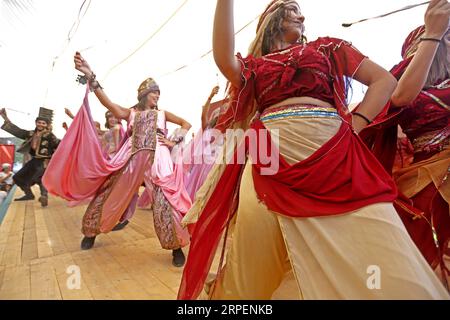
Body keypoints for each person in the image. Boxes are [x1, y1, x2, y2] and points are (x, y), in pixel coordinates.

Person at [178, 0, 449, 299]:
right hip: (269, 161)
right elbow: (223, 59)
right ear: (272, 19)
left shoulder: (327, 48)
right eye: (293, 10)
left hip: (333, 153)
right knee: (251, 273)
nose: (302, 15)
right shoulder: (255, 67)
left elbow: (383, 81)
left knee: (385, 250)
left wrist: (353, 129)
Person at [43, 52, 193, 267]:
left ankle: (176, 247)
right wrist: (91, 76)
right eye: (154, 93)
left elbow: (186, 123)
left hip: (158, 159)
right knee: (110, 194)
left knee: (164, 203)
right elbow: (108, 103)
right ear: (144, 94)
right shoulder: (130, 113)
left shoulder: (163, 113)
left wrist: (174, 140)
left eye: (159, 94)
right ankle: (91, 232)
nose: (157, 97)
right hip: (130, 158)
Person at [361, 0, 450, 286]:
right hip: (425, 187)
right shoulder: (402, 84)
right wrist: (433, 34)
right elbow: (401, 98)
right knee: (416, 272)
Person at [0, 108, 59, 207]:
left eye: (43, 123)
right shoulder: (31, 134)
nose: (40, 124)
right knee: (17, 177)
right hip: (34, 160)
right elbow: (18, 131)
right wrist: (5, 118)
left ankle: (44, 196)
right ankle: (29, 194)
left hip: (44, 161)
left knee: (39, 177)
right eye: (39, 122)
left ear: (47, 125)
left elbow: (60, 145)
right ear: (36, 123)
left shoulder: (50, 136)